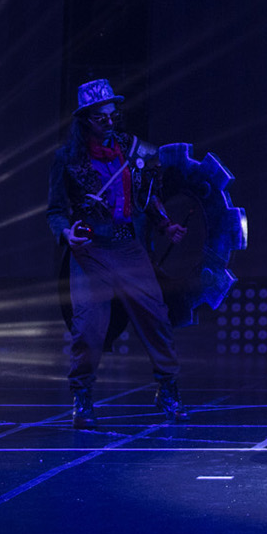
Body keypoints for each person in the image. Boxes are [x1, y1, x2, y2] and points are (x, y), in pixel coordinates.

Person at [47, 78, 189, 429]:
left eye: (113, 115)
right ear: (85, 120)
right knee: (88, 328)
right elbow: (56, 211)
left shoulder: (132, 149)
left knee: (156, 319)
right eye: (101, 118)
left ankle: (168, 390)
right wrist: (67, 233)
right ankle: (82, 397)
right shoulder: (67, 158)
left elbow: (147, 196)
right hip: (90, 251)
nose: (110, 122)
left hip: (128, 248)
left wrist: (165, 225)